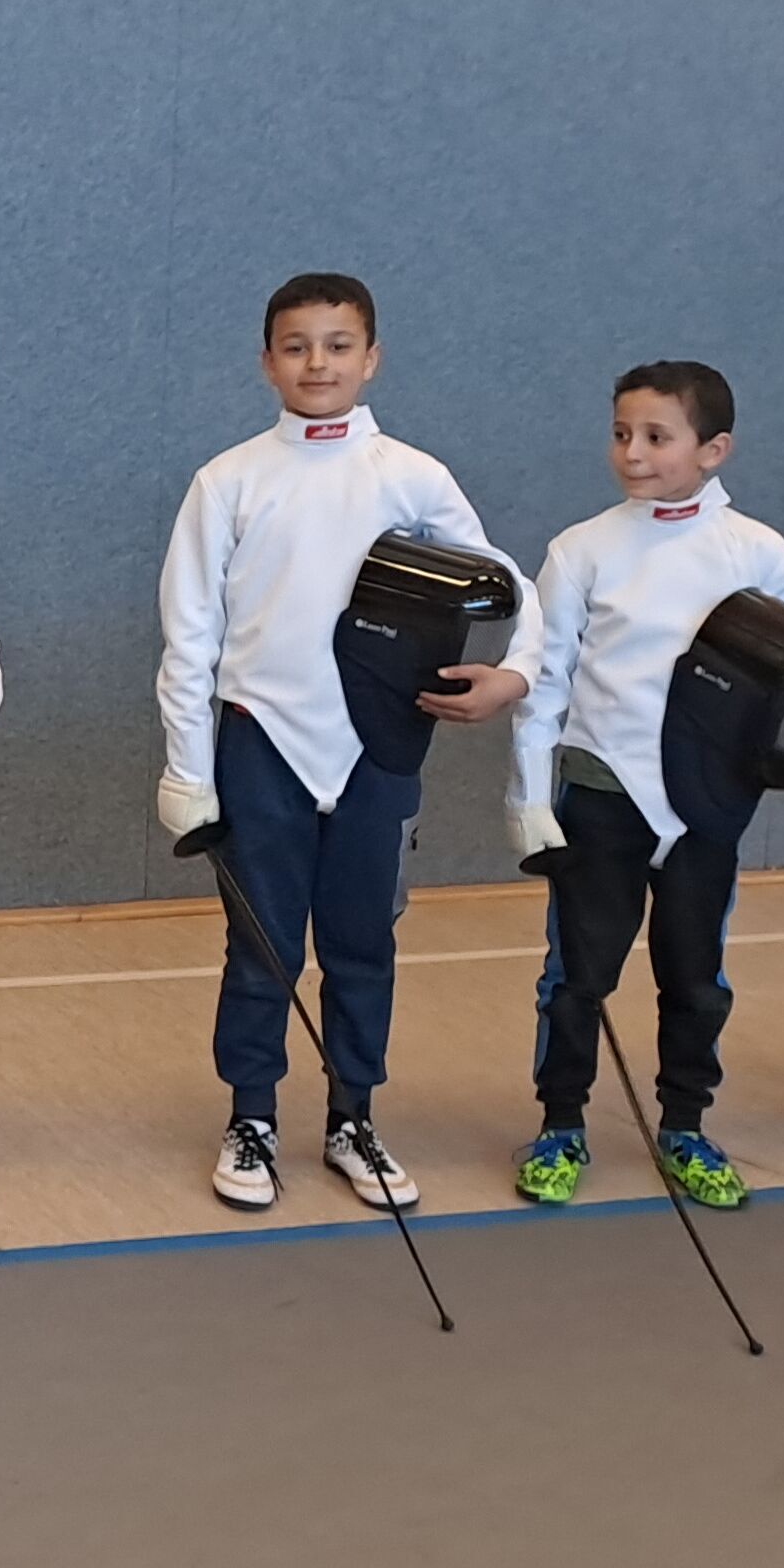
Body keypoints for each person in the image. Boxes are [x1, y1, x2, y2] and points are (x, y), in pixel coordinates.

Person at [154, 272, 532, 1215]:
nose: (316, 363)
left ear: (372, 358)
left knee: (364, 942)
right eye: (296, 346)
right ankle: (251, 1117)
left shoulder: (412, 477)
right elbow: (189, 636)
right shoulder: (229, 481)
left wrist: (514, 674)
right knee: (262, 948)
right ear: (266, 362)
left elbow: (504, 586)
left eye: (337, 345)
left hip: (377, 747)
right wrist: (187, 768)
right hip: (261, 743)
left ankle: (352, 1117)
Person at [503, 362, 784, 1208]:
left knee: (696, 975)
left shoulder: (755, 551)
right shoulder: (582, 550)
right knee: (577, 976)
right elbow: (545, 681)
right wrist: (528, 799)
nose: (633, 453)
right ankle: (561, 1125)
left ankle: (685, 1125)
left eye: (656, 437)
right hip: (602, 795)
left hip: (707, 802)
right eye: (621, 434)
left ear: (714, 450)